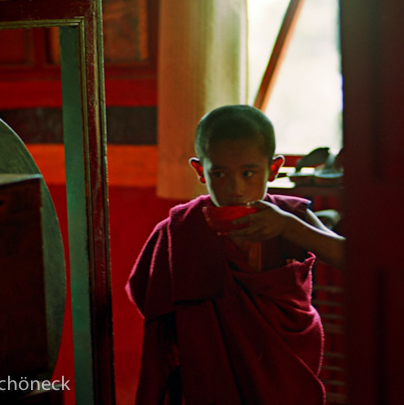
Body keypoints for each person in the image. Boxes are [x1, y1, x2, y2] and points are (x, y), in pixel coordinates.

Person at [126, 105, 345, 405]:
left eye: (248, 173)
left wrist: (289, 227)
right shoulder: (179, 229)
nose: (235, 188)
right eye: (219, 173)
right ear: (200, 171)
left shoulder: (292, 215)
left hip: (284, 377)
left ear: (273, 169)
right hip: (211, 383)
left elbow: (352, 258)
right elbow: (150, 299)